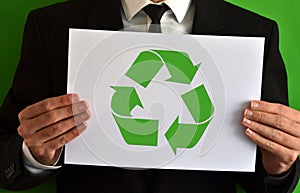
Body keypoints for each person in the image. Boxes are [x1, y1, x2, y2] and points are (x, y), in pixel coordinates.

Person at [0, 0, 299, 192]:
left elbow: (266, 175)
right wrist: (33, 155)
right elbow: (6, 155)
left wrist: (279, 166)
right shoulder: (50, 27)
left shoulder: (254, 32)